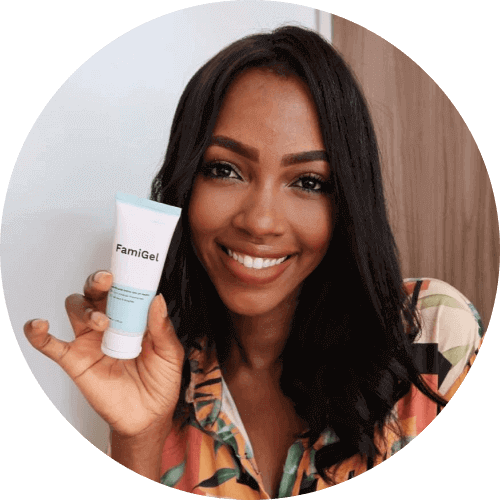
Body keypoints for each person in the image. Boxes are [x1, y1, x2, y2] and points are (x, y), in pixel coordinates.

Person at [23, 25, 484, 498]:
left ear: (348, 202)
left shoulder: (432, 336)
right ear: (186, 183)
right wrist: (137, 439)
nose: (261, 222)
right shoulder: (159, 375)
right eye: (224, 170)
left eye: (308, 182)